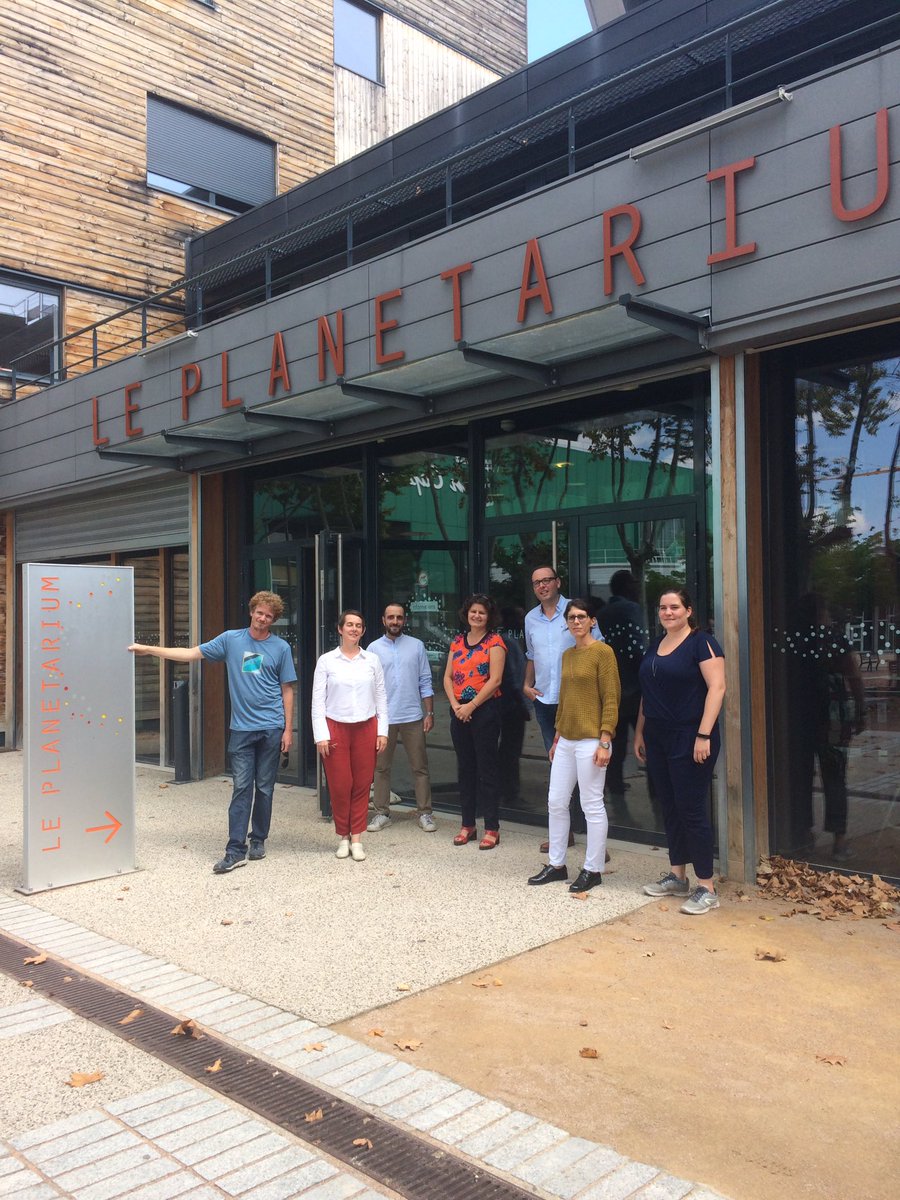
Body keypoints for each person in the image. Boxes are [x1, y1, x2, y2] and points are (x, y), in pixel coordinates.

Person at [128, 591, 296, 874]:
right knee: (242, 787)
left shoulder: (280, 648)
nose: (263, 618)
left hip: (271, 727)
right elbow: (192, 653)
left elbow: (287, 690)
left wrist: (288, 730)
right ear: (252, 611)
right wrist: (149, 650)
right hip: (242, 729)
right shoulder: (231, 640)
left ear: (274, 620)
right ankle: (234, 849)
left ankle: (259, 840)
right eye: (260, 612)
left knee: (265, 788)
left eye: (269, 615)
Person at [633, 588, 726, 915]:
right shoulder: (655, 645)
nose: (668, 612)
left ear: (688, 611)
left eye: (675, 607)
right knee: (669, 805)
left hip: (690, 736)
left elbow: (718, 687)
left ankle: (706, 886)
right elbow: (648, 692)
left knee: (691, 808)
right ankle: (677, 875)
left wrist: (703, 734)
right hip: (658, 735)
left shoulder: (703, 643)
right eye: (663, 607)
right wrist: (640, 731)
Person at [528, 599, 620, 893]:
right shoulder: (568, 655)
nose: (576, 622)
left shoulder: (603, 653)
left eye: (581, 617)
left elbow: (611, 698)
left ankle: (593, 869)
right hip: (566, 739)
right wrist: (556, 737)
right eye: (571, 618)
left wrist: (606, 739)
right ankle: (557, 864)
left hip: (593, 739)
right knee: (556, 800)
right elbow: (564, 699)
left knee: (591, 804)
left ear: (592, 621)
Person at [523, 565, 601, 852]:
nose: (542, 586)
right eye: (536, 583)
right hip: (545, 701)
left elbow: (596, 649)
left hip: (579, 702)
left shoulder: (576, 611)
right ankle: (563, 834)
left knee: (587, 769)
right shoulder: (530, 618)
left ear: (557, 582)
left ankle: (595, 840)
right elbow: (531, 655)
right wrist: (527, 684)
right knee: (559, 768)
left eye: (546, 580)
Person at [311, 610, 388, 861]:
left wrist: (382, 731)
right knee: (340, 784)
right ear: (340, 629)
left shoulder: (372, 660)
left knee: (362, 784)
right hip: (335, 729)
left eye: (359, 626)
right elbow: (317, 703)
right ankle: (342, 836)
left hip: (366, 728)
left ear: (363, 631)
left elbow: (381, 697)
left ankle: (357, 838)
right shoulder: (326, 661)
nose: (354, 629)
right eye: (350, 625)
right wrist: (321, 735)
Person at [367, 602, 437, 833]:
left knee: (420, 767)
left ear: (404, 620)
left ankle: (425, 812)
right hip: (383, 719)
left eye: (399, 617)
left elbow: (425, 680)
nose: (395, 621)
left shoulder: (416, 646)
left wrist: (429, 712)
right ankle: (381, 813)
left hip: (412, 716)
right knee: (381, 768)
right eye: (391, 617)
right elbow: (369, 686)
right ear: (383, 620)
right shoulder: (373, 649)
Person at [443, 593, 506, 849]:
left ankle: (492, 827)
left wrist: (471, 705)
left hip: (484, 712)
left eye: (482, 612)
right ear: (466, 614)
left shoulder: (495, 642)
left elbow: (495, 680)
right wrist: (457, 705)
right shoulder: (457, 642)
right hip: (459, 712)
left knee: (487, 770)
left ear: (489, 617)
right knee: (465, 770)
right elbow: (447, 677)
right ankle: (467, 824)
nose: (477, 616)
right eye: (473, 612)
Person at [597, 570, 648, 823]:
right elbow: (637, 646)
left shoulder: (604, 613)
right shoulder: (631, 609)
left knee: (615, 749)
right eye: (634, 583)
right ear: (626, 587)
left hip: (612, 690)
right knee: (644, 745)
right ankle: (657, 800)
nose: (638, 587)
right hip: (635, 689)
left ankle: (616, 798)